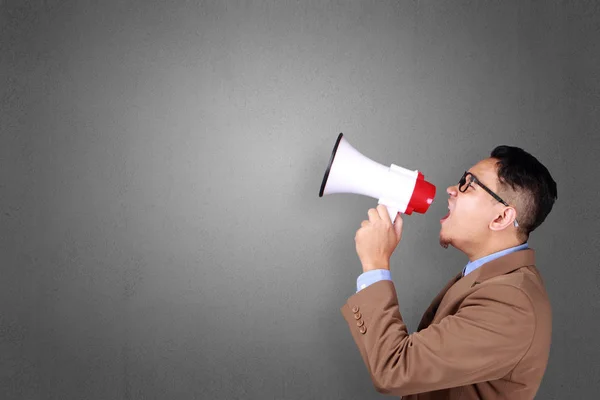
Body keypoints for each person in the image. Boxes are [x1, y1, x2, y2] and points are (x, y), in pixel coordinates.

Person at [341, 145, 558, 400]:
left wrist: (375, 263)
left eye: (469, 185)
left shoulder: (512, 303)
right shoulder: (490, 279)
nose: (451, 190)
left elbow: (396, 369)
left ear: (501, 218)